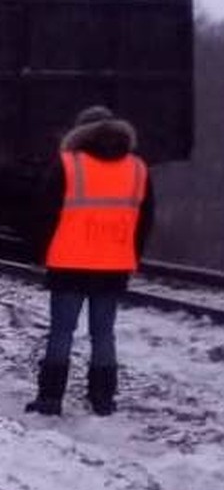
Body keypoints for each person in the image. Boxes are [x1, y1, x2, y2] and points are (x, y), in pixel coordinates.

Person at [26, 106, 154, 416]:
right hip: (113, 266)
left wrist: (42, 253)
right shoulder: (137, 168)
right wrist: (130, 256)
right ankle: (102, 399)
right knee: (103, 333)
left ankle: (50, 398)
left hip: (69, 264)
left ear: (79, 132)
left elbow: (44, 213)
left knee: (61, 332)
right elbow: (145, 219)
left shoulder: (68, 165)